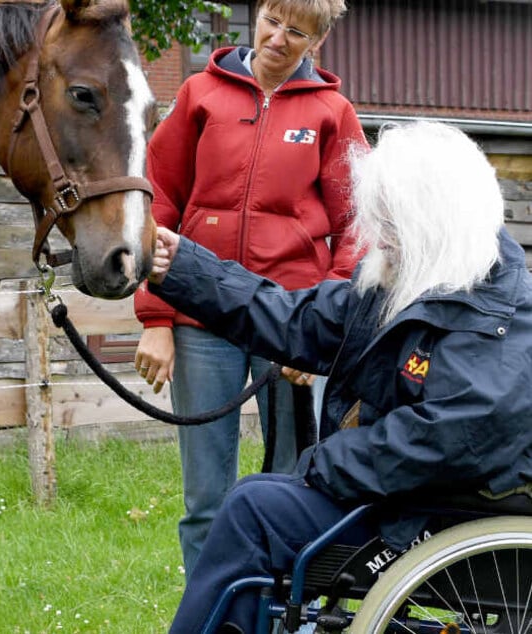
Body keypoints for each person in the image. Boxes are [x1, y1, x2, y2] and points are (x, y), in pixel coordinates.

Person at [146, 120, 532, 633]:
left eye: (391, 221)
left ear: (432, 219)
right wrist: (181, 267)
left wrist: (324, 463)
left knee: (254, 510)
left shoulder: (495, 318)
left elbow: (450, 438)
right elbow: (290, 317)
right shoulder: (418, 278)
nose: (380, 236)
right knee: (259, 503)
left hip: (434, 512)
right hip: (407, 495)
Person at [133, 0, 366, 579]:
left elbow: (356, 229)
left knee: (293, 489)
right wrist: (157, 319)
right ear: (257, 15)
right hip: (199, 322)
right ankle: (212, 609)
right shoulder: (199, 95)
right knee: (205, 500)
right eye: (272, 21)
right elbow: (159, 198)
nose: (279, 38)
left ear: (317, 43)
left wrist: (323, 330)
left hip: (286, 324)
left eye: (298, 32)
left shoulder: (332, 113)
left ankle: (285, 610)